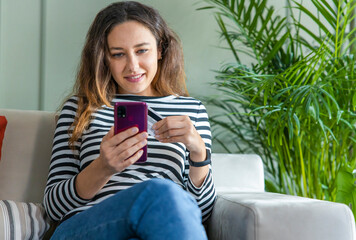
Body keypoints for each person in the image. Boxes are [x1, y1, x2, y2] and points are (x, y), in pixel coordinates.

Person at [44, 1, 216, 239]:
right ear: (104, 58)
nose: (132, 66)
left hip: (158, 231)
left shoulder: (192, 111)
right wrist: (103, 167)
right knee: (159, 192)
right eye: (118, 54)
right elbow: (54, 208)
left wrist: (198, 153)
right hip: (87, 227)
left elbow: (201, 212)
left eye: (142, 50)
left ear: (160, 50)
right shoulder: (80, 107)